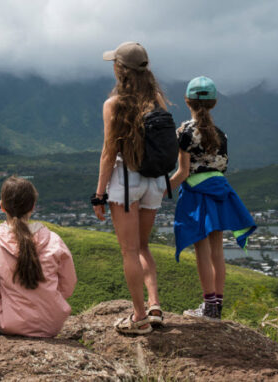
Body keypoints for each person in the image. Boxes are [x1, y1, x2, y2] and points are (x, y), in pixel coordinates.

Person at [92, 41, 170, 335]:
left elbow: (108, 154)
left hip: (126, 181)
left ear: (120, 69)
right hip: (155, 181)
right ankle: (154, 305)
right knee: (144, 247)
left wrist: (99, 194)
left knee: (129, 250)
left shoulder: (114, 105)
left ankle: (138, 318)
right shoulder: (158, 100)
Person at [169, 76, 257, 321]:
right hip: (221, 192)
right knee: (217, 251)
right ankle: (216, 306)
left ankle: (207, 307)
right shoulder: (221, 134)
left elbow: (183, 172)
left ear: (187, 101)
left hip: (197, 195)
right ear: (214, 103)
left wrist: (160, 190)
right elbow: (221, 168)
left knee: (201, 250)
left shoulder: (185, 132)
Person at [0, 176, 77, 337]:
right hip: (51, 325)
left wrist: (6, 301)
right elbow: (68, 284)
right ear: (33, 207)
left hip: (9, 325)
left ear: (2, 206)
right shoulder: (54, 240)